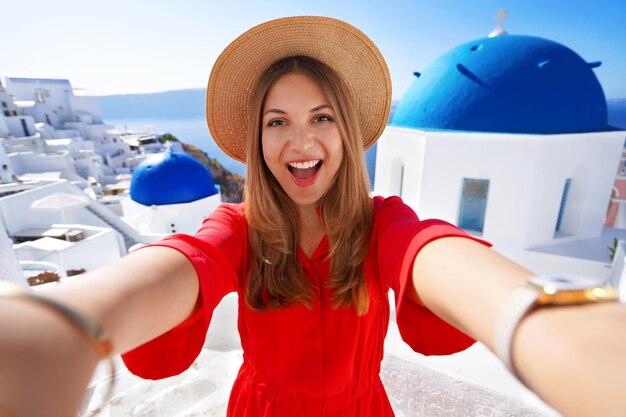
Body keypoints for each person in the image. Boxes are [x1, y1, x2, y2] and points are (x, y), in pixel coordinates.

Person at [0, 15, 625, 417]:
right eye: (278, 122)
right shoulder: (241, 228)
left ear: (348, 134)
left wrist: (543, 322)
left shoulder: (383, 222)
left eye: (322, 118)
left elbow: (432, 253)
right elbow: (185, 263)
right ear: (257, 138)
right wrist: (71, 321)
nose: (301, 143)